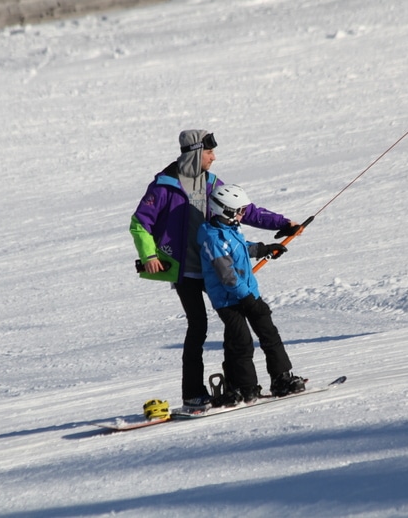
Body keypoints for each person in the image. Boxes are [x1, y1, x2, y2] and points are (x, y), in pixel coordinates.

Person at [130, 130, 300, 407]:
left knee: (234, 326)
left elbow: (245, 209)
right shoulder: (164, 187)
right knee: (197, 328)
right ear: (196, 153)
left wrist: (282, 223)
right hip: (184, 271)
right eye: (209, 153)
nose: (214, 157)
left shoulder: (211, 182)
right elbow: (139, 224)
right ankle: (193, 393)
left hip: (214, 269)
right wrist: (149, 255)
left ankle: (237, 385)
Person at [198, 183, 306, 405]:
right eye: (240, 210)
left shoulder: (230, 229)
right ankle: (246, 388)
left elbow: (240, 247)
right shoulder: (212, 237)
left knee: (269, 332)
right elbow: (227, 276)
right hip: (228, 300)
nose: (243, 214)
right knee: (242, 342)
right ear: (225, 210)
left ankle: (281, 379)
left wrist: (264, 249)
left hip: (247, 293)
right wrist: (247, 299)